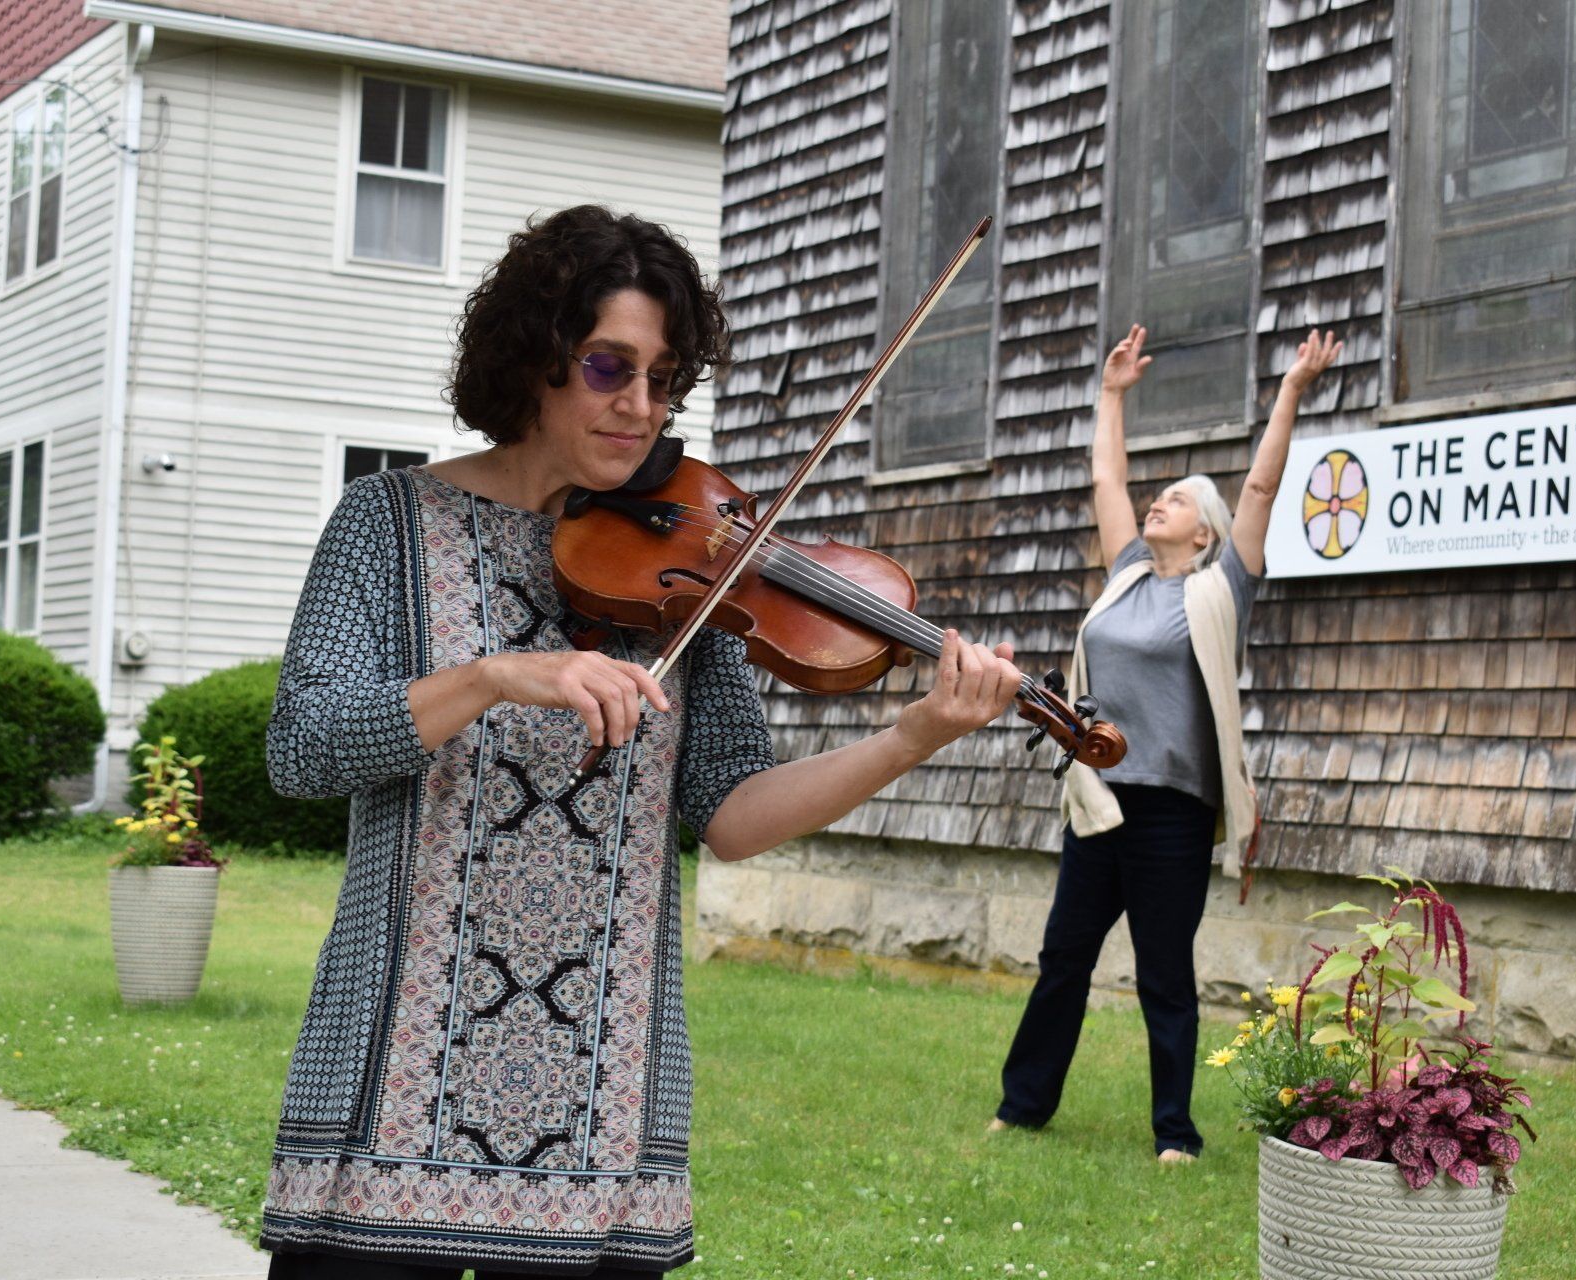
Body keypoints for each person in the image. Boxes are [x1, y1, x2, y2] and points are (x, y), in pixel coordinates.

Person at [259, 204, 1024, 1278]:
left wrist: (912, 735)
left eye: (663, 380)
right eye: (609, 367)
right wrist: (494, 676)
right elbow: (302, 748)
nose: (640, 407)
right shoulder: (386, 521)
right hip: (392, 1081)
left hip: (600, 1104)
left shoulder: (695, 571)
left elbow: (733, 813)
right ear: (534, 359)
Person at [989, 323, 1343, 1161]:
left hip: (1172, 814)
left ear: (1206, 533)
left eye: (1178, 500)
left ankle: (1174, 1133)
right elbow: (1107, 477)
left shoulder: (1223, 589)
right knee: (1063, 958)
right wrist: (1111, 394)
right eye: (1161, 497)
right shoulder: (1125, 577)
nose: (1158, 503)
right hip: (1098, 798)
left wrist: (1291, 389)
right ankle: (1023, 1108)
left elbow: (1261, 485)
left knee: (1164, 975)